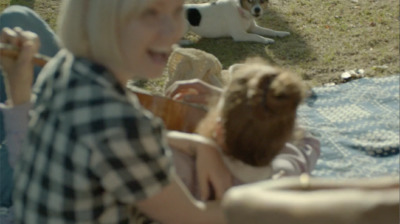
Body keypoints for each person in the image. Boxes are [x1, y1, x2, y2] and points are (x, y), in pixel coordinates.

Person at [2, 1, 230, 223]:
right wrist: (262, 196)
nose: (173, 31)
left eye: (178, 10)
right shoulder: (124, 125)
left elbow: (31, 159)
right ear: (103, 19)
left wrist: (18, 84)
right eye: (149, 13)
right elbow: (193, 217)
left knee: (16, 15)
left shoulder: (64, 65)